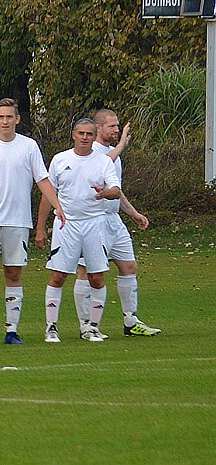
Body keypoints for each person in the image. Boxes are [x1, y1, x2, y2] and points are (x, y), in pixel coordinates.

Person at [0, 100, 64, 346]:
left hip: (18, 221)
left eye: (9, 117)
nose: (5, 121)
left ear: (17, 119)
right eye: (1, 117)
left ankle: (12, 331)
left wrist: (58, 206)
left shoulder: (28, 146)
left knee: (13, 273)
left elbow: (42, 179)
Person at [37, 118, 121, 343]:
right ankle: (51, 327)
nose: (84, 137)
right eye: (81, 133)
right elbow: (48, 195)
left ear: (94, 137)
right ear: (73, 134)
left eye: (89, 134)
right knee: (58, 275)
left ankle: (92, 327)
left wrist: (105, 193)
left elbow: (116, 190)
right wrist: (40, 228)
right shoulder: (60, 159)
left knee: (96, 277)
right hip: (67, 225)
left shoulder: (103, 162)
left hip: (95, 224)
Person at [82, 109, 159, 337]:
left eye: (117, 126)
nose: (116, 130)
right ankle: (87, 325)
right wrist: (122, 145)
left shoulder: (113, 155)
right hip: (93, 220)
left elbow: (116, 189)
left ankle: (131, 321)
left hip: (113, 220)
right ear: (98, 128)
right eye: (112, 126)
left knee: (129, 267)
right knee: (88, 272)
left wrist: (133, 213)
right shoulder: (93, 152)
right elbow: (100, 166)